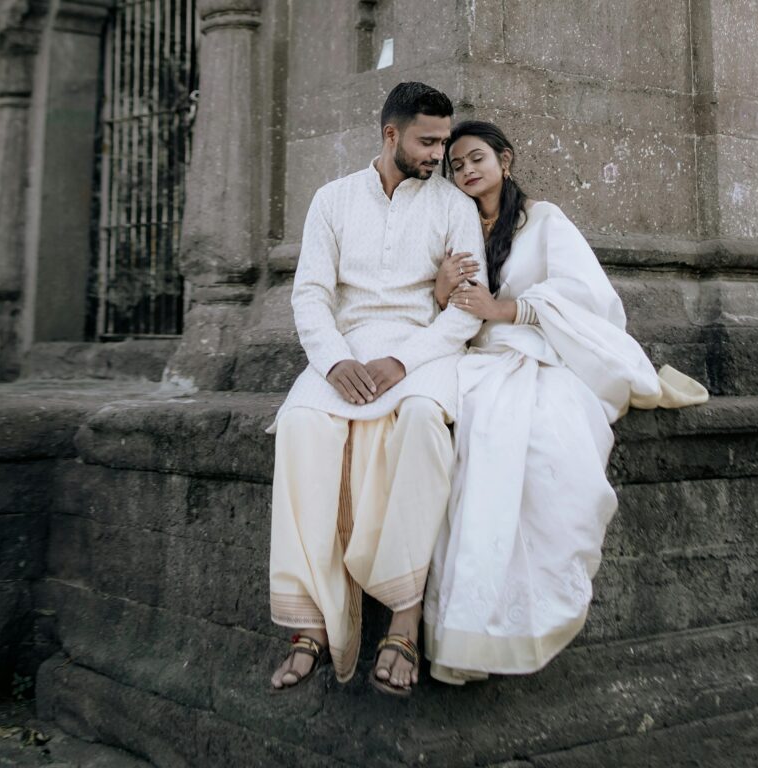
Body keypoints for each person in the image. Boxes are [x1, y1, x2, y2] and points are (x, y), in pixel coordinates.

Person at [422, 121, 708, 685]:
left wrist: (507, 310)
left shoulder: (545, 220)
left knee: (546, 434)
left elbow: (587, 294)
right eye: (455, 166)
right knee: (471, 429)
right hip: (476, 355)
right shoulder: (455, 229)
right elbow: (438, 307)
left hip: (541, 349)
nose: (465, 171)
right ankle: (470, 618)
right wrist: (441, 290)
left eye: (476, 158)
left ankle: (524, 607)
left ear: (505, 160)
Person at [266, 84, 486, 697]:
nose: (441, 154)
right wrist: (334, 361)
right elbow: (310, 294)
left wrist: (403, 360)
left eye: (445, 141)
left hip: (422, 348)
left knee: (420, 418)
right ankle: (313, 622)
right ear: (390, 135)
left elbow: (466, 310)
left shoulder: (452, 206)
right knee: (302, 425)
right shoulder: (332, 200)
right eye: (428, 141)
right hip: (346, 348)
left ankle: (405, 621)